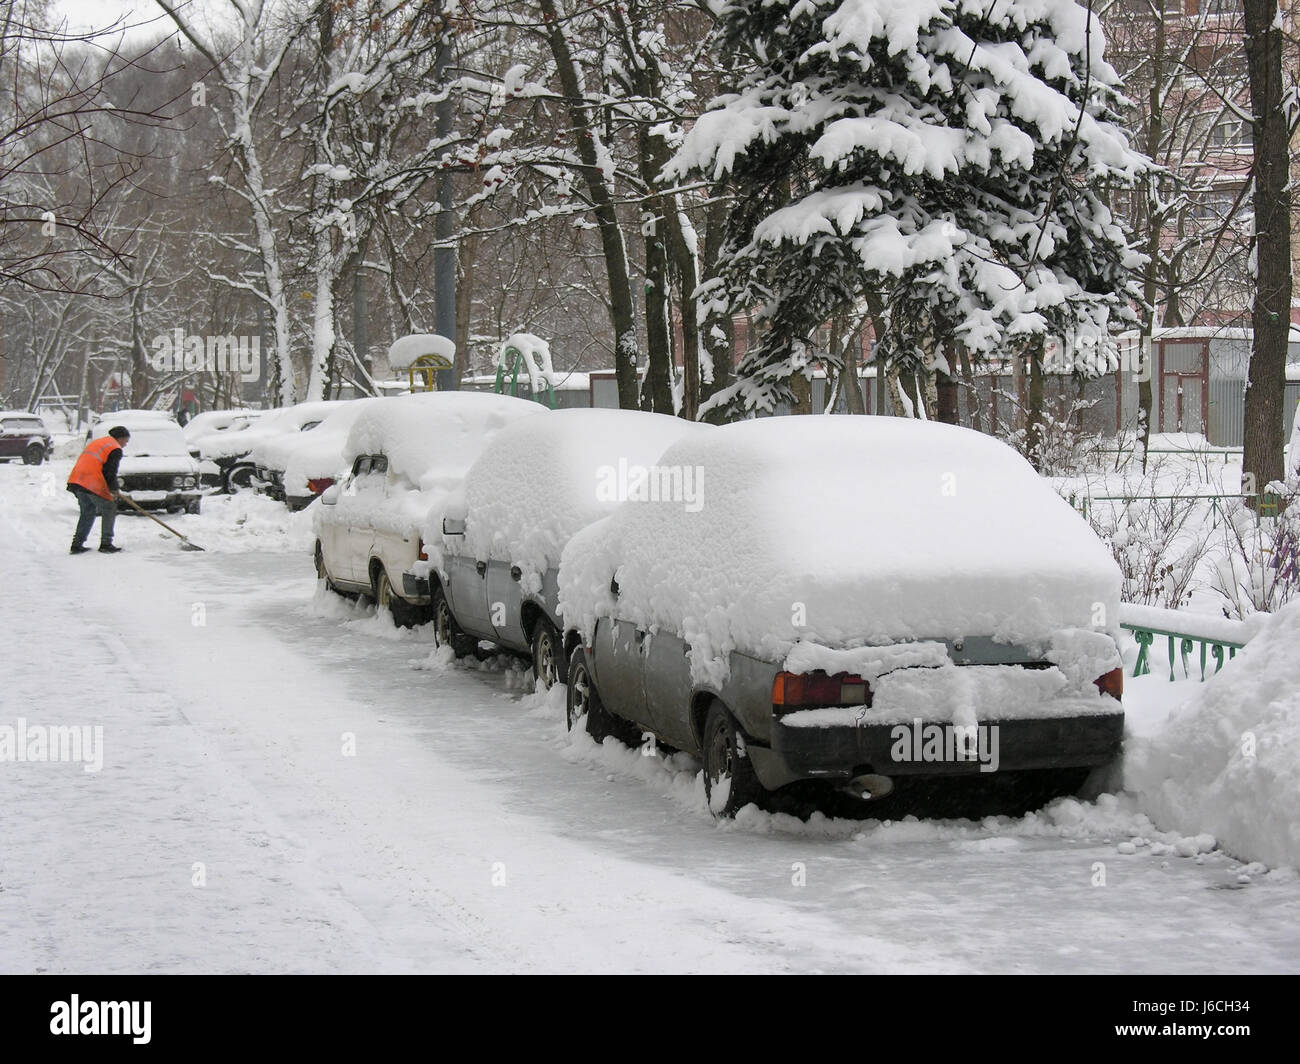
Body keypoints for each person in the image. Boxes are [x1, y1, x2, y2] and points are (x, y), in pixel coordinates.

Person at [67, 426, 130, 554]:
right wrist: (114, 489)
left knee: (87, 512)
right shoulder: (115, 448)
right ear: (121, 438)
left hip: (78, 480)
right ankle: (106, 543)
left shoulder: (99, 442)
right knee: (109, 507)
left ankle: (77, 544)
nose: (126, 444)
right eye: (126, 440)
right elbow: (109, 472)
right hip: (91, 482)